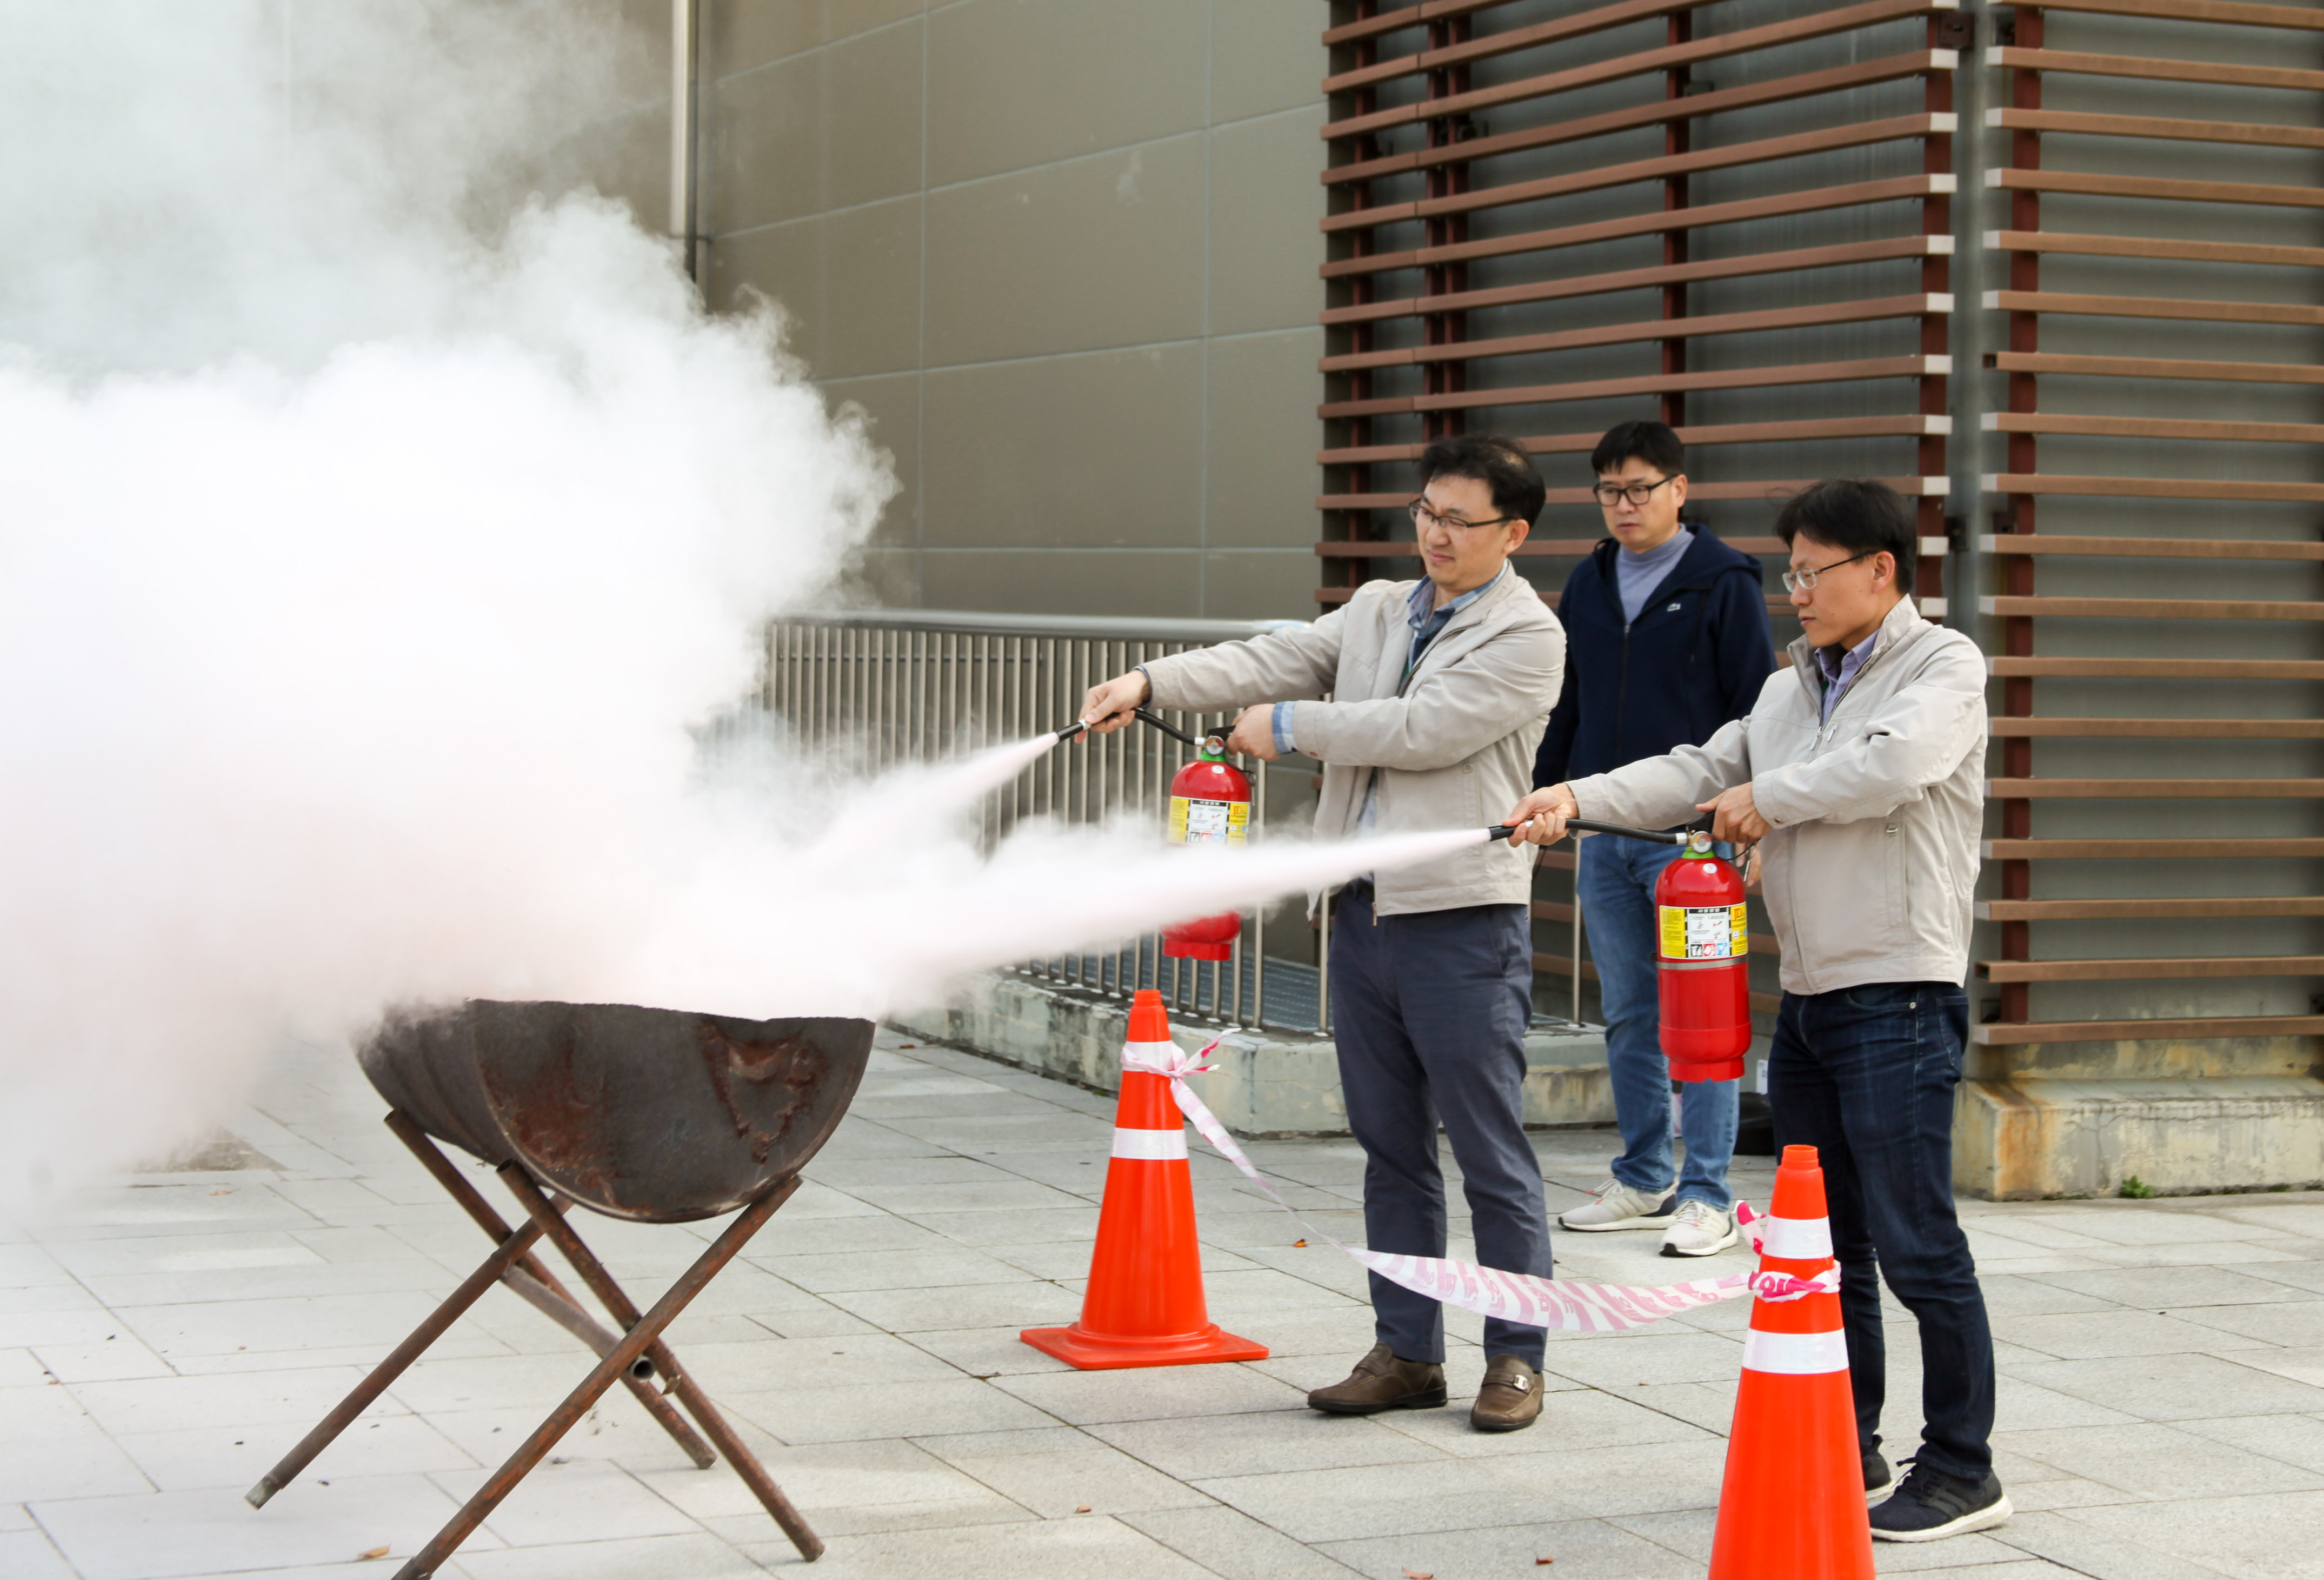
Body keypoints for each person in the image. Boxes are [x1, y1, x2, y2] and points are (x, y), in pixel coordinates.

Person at [1501, 478, 2007, 1542]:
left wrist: (1767, 799)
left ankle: (1961, 1466)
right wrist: (1577, 799)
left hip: (1899, 993)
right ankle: (1850, 1438)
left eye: (1813, 572)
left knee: (1917, 1241)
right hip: (1813, 999)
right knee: (1830, 1247)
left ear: (1880, 571)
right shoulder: (1790, 689)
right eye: (1789, 573)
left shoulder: (1941, 666)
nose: (1796, 593)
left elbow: (1891, 767)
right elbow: (1702, 767)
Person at [1076, 434, 1565, 1432]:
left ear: (1512, 533)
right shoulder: (1383, 607)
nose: (1435, 533)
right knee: (1390, 1151)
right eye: (1426, 510)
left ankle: (1515, 1359)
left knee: (1490, 1154)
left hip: (1463, 920)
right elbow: (1271, 655)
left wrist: (1290, 727)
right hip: (1363, 913)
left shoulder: (1530, 635)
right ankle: (1406, 1352)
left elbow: (1422, 729)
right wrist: (1151, 683)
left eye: (1460, 521)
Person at [1537, 420, 1772, 1257]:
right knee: (1631, 1011)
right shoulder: (1590, 580)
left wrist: (1743, 819)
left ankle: (1707, 1190)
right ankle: (1643, 1175)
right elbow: (1570, 699)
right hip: (1606, 831)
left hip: (1693, 844)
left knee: (1702, 1013)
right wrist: (1549, 793)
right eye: (1609, 491)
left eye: (1640, 488)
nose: (1624, 505)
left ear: (1680, 489)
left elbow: (1756, 710)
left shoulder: (1724, 582)